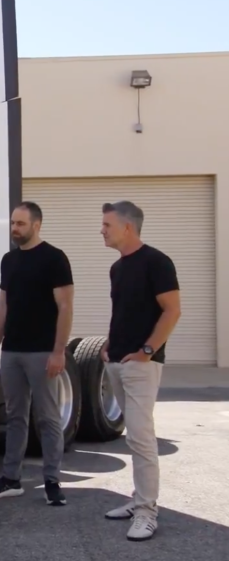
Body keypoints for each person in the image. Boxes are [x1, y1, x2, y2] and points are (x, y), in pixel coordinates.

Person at [0, 201, 74, 506]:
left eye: (20, 224)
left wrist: (59, 351)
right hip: (12, 352)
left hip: (42, 352)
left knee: (47, 418)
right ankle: (11, 479)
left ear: (37, 225)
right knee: (15, 417)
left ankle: (52, 481)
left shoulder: (55, 259)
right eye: (12, 223)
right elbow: (3, 305)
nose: (14, 229)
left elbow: (65, 306)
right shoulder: (9, 260)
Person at [98, 200, 180, 542]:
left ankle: (147, 512)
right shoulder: (118, 268)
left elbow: (172, 310)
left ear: (127, 227)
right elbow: (124, 312)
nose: (101, 230)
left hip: (141, 365)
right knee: (131, 437)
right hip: (116, 360)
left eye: (106, 224)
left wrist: (147, 351)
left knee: (142, 438)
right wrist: (107, 343)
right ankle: (137, 500)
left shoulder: (157, 262)